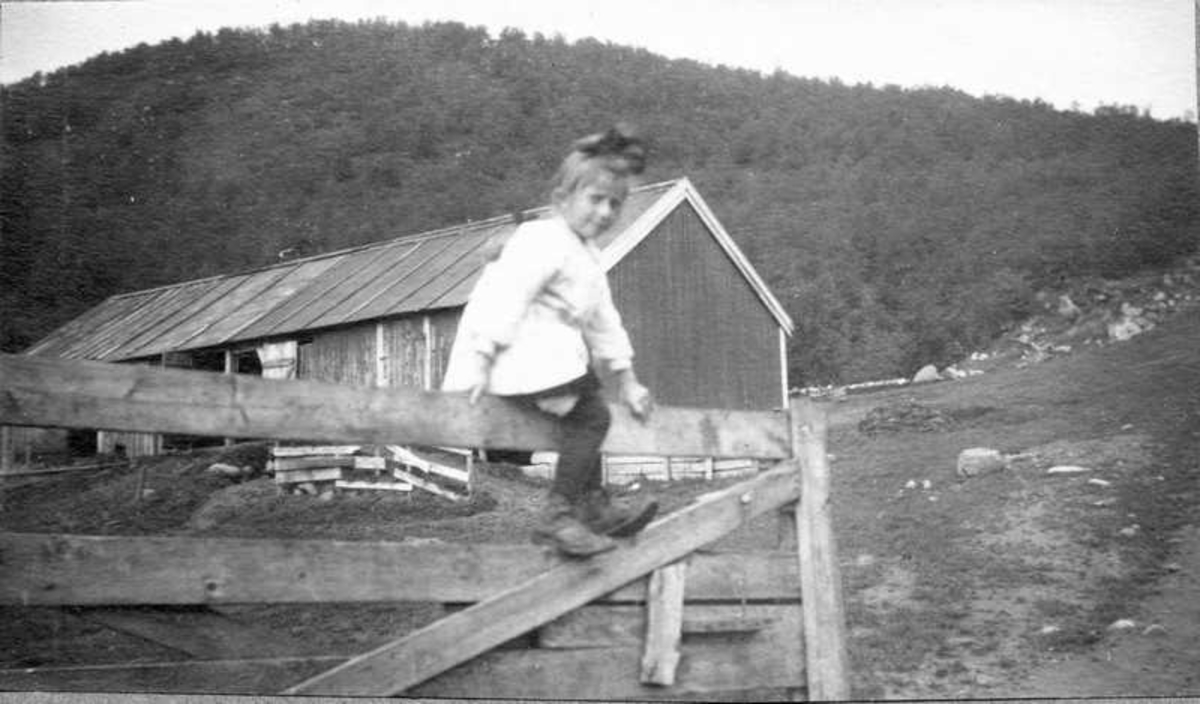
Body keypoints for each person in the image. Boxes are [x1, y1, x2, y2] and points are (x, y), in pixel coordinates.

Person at [442, 125, 658, 557]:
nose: (603, 213)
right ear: (563, 199)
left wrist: (630, 380)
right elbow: (502, 300)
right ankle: (559, 515)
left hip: (544, 359)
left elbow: (604, 323)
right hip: (512, 354)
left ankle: (591, 505)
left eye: (614, 204)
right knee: (592, 418)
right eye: (595, 200)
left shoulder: (589, 257)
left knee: (587, 414)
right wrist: (480, 363)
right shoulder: (541, 240)